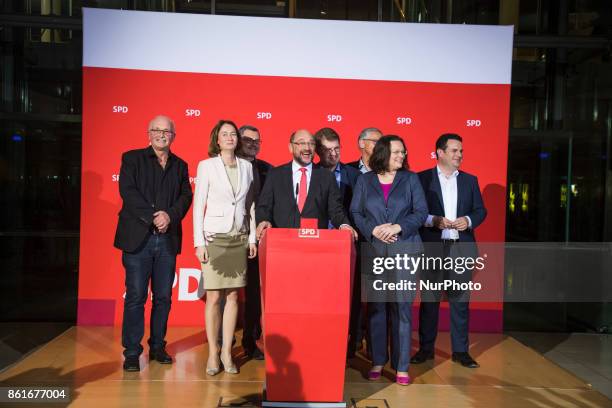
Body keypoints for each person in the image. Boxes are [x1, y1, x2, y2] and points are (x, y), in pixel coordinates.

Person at [114, 115, 193, 372]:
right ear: (148, 134)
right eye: (157, 130)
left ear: (174, 136)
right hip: (139, 239)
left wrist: (169, 215)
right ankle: (132, 352)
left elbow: (185, 196)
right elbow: (128, 192)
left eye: (167, 131)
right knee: (136, 297)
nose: (162, 134)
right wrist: (153, 216)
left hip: (167, 240)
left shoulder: (180, 165)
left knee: (163, 297)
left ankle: (158, 346)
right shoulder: (132, 158)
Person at [350, 135, 427, 385]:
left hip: (405, 251)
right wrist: (372, 230)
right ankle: (378, 360)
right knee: (376, 309)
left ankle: (402, 366)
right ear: (383, 153)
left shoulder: (411, 179)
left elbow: (421, 212)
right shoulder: (364, 180)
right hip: (374, 252)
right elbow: (355, 212)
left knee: (402, 309)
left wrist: (397, 227)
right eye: (396, 152)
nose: (401, 156)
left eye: (403, 152)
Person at [411, 133, 487, 368]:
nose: (460, 155)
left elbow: (480, 210)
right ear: (440, 152)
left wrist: (469, 220)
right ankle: (425, 349)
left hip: (461, 248)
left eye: (461, 151)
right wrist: (433, 220)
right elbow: (413, 211)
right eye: (454, 150)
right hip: (433, 248)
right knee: (430, 301)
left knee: (460, 302)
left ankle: (461, 352)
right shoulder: (421, 179)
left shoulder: (469, 180)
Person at [193, 120, 257, 375]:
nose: (230, 137)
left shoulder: (247, 167)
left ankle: (227, 354)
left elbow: (250, 205)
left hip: (239, 238)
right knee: (214, 296)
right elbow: (199, 206)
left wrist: (252, 237)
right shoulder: (207, 166)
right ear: (217, 140)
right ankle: (212, 353)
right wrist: (199, 242)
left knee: (233, 297)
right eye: (224, 134)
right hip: (214, 238)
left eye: (233, 134)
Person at [313, 127, 363, 358]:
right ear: (317, 151)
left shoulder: (356, 176)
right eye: (327, 150)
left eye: (337, 149)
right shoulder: (309, 174)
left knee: (349, 298)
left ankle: (350, 345)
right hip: (316, 247)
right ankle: (319, 342)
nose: (333, 154)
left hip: (348, 247)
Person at [255, 129, 357, 239]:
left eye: (311, 143)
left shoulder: (326, 176)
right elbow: (264, 207)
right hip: (281, 244)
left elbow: (336, 210)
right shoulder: (275, 174)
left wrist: (344, 225)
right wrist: (263, 221)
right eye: (302, 143)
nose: (307, 148)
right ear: (291, 147)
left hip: (314, 246)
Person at [237, 124, 272, 360]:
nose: (253, 143)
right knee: (225, 294)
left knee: (255, 294)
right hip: (232, 235)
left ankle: (252, 340)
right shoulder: (228, 167)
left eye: (257, 140)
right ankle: (222, 339)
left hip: (260, 239)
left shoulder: (269, 170)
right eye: (247, 139)